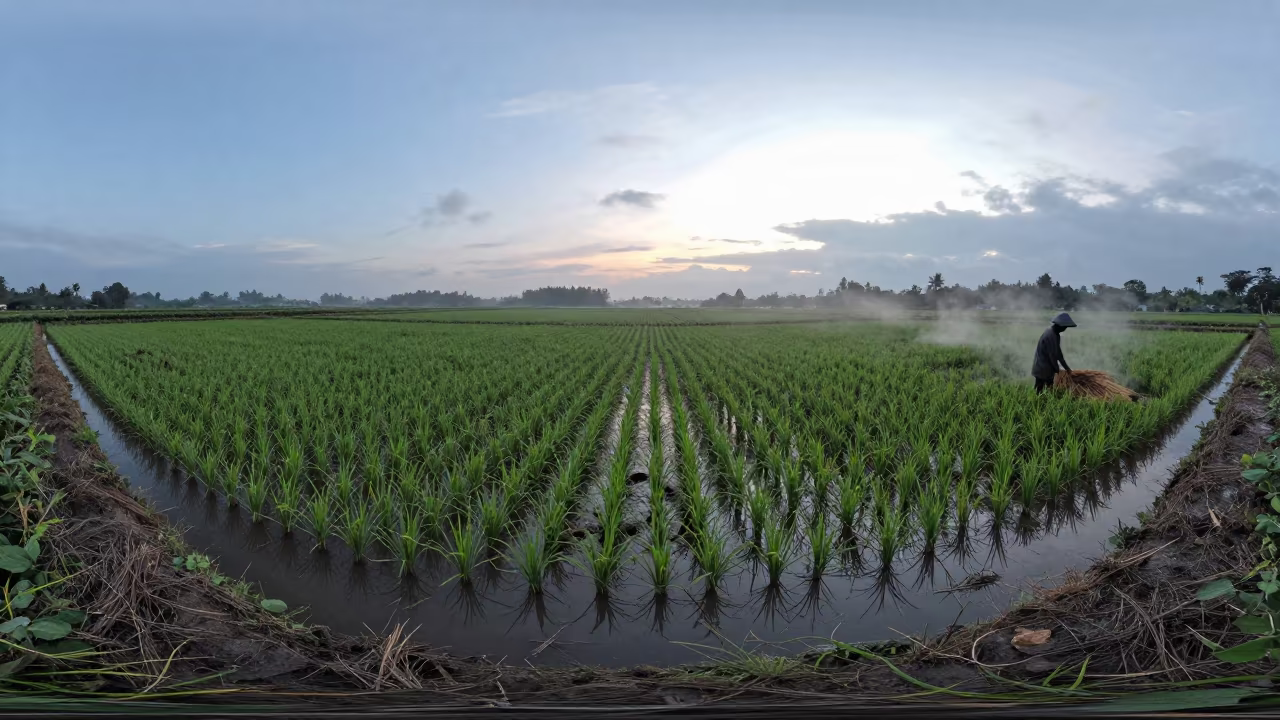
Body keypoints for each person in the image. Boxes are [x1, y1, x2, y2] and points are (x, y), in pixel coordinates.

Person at [1032, 312, 1076, 394]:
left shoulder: (1055, 334)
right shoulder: (1050, 335)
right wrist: (1057, 370)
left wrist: (1067, 368)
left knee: (1047, 388)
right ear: (1060, 326)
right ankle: (1037, 403)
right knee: (1040, 389)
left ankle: (1042, 402)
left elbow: (1058, 353)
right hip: (1043, 367)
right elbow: (1052, 355)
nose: (1065, 329)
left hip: (1045, 367)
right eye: (1065, 327)